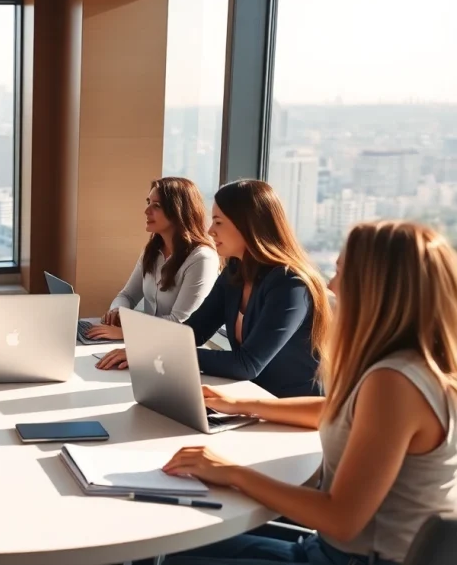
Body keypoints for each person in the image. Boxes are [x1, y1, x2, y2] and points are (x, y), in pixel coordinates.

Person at [160, 221, 457, 565]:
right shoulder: (415, 369)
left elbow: (340, 519)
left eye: (341, 272)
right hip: (325, 550)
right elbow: (336, 409)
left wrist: (231, 471)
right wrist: (242, 403)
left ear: (375, 289)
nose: (331, 285)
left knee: (163, 555)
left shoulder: (394, 384)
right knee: (168, 549)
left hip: (346, 558)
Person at [96, 180, 330, 399]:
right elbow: (193, 332)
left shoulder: (290, 284)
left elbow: (246, 364)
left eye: (218, 222)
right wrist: (142, 349)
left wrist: (151, 354)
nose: (210, 231)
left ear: (248, 226)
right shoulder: (235, 271)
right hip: (245, 399)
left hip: (288, 411)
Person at [84, 177, 218, 342]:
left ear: (178, 211)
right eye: (148, 202)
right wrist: (117, 311)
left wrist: (127, 331)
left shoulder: (202, 259)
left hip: (179, 350)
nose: (147, 210)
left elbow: (179, 321)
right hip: (147, 343)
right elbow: (127, 295)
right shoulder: (152, 251)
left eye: (157, 206)